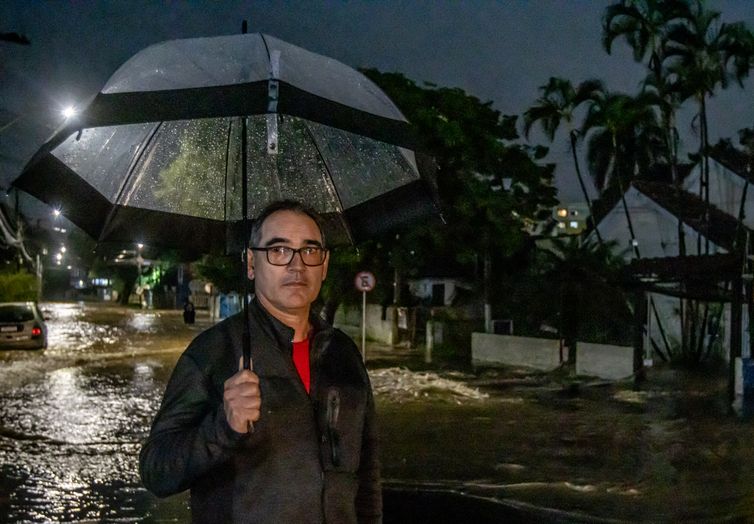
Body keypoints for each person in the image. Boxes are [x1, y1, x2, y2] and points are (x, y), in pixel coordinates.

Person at [139, 200, 382, 524]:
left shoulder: (343, 354)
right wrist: (222, 427)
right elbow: (156, 470)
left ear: (324, 265)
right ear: (252, 263)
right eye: (279, 251)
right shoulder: (213, 353)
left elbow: (367, 476)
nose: (297, 266)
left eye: (309, 251)